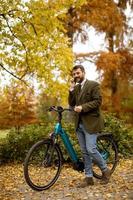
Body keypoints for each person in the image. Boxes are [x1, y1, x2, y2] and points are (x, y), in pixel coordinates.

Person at [68, 65, 111, 188]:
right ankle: (88, 177)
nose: (76, 76)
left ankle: (105, 170)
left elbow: (98, 101)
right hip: (79, 123)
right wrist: (71, 90)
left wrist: (83, 107)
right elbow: (71, 103)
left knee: (91, 149)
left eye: (78, 73)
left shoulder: (93, 85)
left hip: (91, 122)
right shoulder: (75, 88)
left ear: (83, 72)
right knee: (84, 152)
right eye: (74, 74)